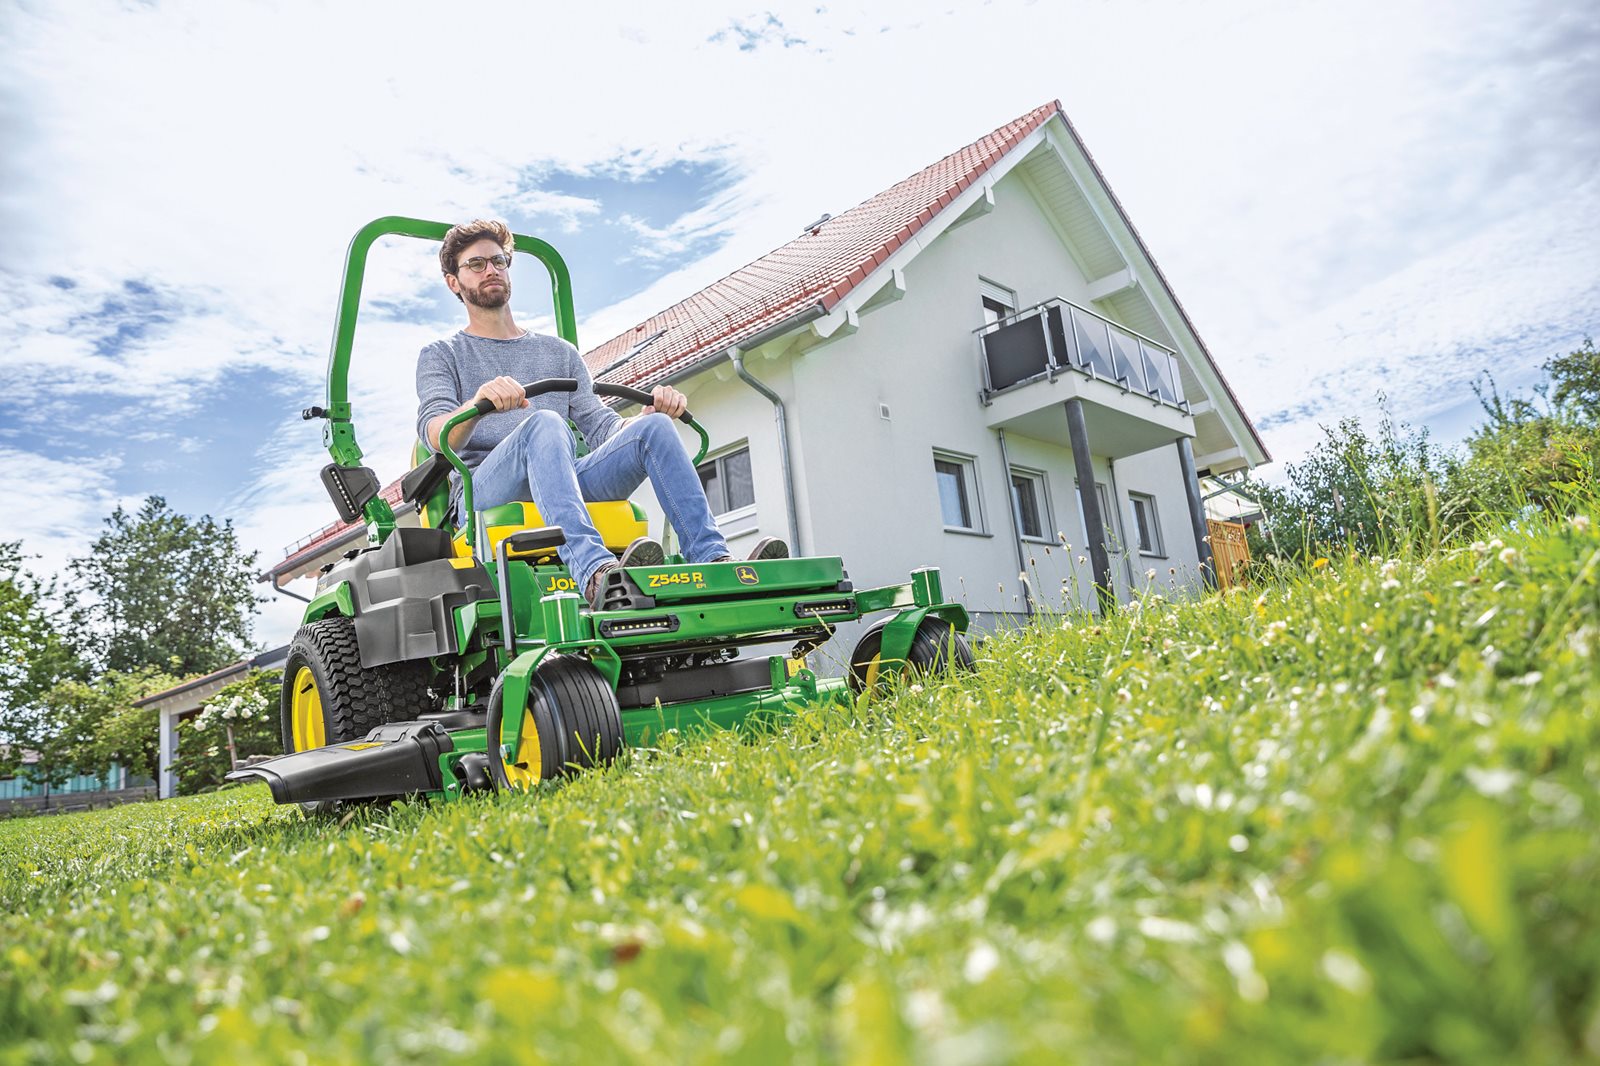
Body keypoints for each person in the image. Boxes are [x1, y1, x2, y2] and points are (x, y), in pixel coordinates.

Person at [415, 219, 786, 610]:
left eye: (499, 260)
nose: (490, 270)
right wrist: (477, 403)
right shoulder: (442, 354)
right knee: (544, 422)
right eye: (476, 264)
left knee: (653, 429)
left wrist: (643, 418)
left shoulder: (559, 353)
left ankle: (713, 561)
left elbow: (602, 426)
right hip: (486, 491)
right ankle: (594, 572)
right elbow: (437, 433)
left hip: (561, 479)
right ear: (454, 282)